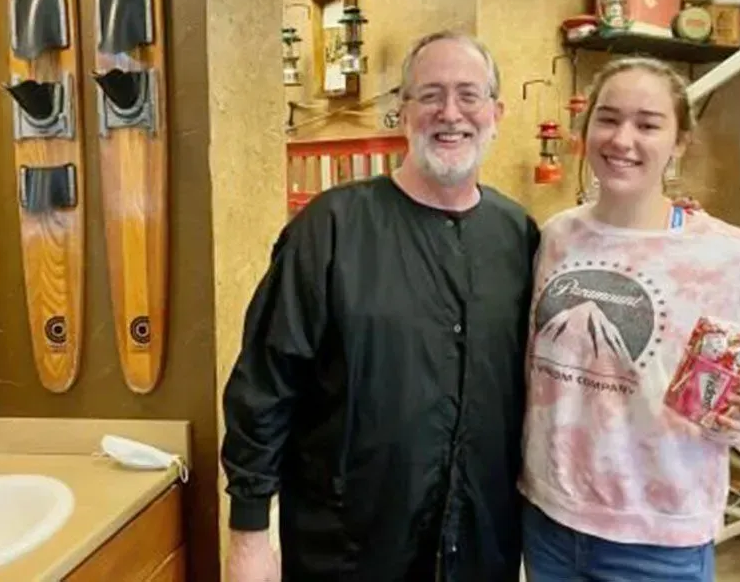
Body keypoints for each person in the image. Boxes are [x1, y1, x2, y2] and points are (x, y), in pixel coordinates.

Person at [219, 30, 541, 581]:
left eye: (469, 94)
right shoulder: (331, 228)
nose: (450, 113)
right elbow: (265, 386)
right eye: (430, 95)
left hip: (480, 546)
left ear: (497, 112)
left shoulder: (519, 235)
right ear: (403, 112)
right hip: (348, 551)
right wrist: (249, 536)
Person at [518, 56, 740, 582]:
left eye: (648, 124)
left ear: (679, 142)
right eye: (608, 119)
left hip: (659, 536)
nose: (623, 139)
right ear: (586, 129)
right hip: (548, 520)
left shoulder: (725, 255)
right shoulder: (555, 237)